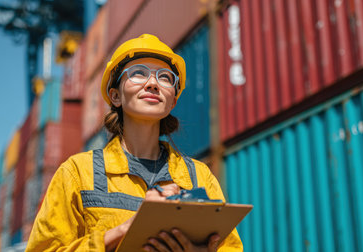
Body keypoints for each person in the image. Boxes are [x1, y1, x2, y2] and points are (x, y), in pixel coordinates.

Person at [26, 34, 242, 251]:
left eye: (165, 77)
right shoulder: (78, 173)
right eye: (138, 73)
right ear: (115, 96)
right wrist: (123, 231)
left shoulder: (199, 176)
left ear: (173, 101)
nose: (153, 83)